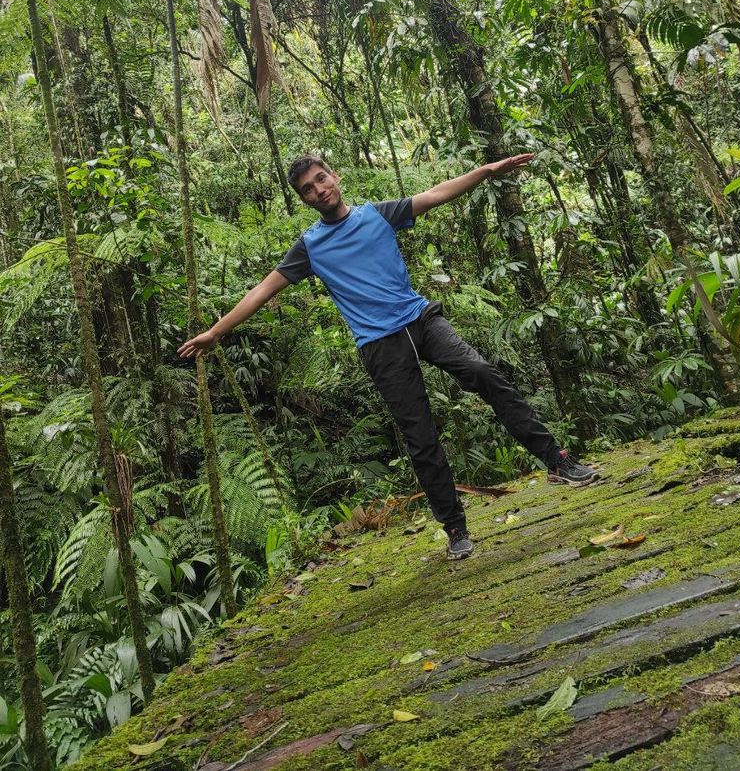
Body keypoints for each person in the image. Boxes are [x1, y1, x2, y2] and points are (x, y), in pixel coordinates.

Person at [178, 154, 598, 560]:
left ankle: (558, 461)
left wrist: (487, 171)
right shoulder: (309, 246)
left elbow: (434, 195)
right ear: (304, 199)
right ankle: (455, 529)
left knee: (482, 371)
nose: (319, 190)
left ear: (335, 177)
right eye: (308, 189)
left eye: (321, 179)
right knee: (420, 436)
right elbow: (262, 290)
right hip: (379, 346)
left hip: (421, 320)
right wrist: (217, 332)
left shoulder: (377, 214)